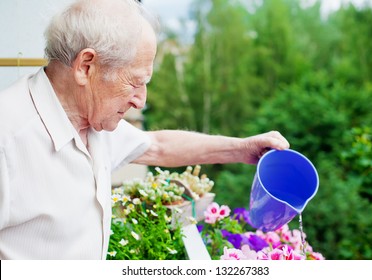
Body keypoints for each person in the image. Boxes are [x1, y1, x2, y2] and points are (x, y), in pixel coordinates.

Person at [0, 0, 289, 260]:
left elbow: (158, 146)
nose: (141, 101)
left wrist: (242, 149)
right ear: (86, 67)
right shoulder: (8, 139)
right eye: (136, 82)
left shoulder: (94, 121)